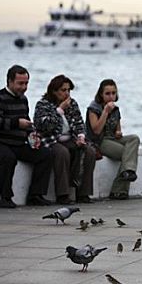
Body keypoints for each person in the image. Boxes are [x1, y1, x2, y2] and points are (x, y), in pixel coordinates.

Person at [0, 65, 53, 208]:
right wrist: (17, 123)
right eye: (20, 83)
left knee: (46, 154)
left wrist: (32, 135)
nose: (24, 87)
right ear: (10, 81)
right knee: (8, 158)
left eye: (26, 83)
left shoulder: (23, 100)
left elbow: (25, 124)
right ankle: (5, 198)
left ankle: (35, 195)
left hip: (16, 144)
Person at [34, 75, 96, 204]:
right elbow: (44, 126)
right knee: (62, 153)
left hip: (70, 138)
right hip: (51, 140)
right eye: (63, 90)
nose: (67, 93)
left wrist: (81, 137)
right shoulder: (43, 105)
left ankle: (83, 193)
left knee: (89, 151)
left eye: (68, 90)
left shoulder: (72, 104)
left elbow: (79, 123)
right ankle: (62, 194)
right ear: (54, 91)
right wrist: (60, 110)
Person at [86, 79, 140, 200]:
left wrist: (118, 132)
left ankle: (128, 172)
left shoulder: (116, 109)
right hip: (100, 141)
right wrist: (105, 112)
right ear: (101, 94)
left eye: (113, 93)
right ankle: (119, 189)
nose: (111, 96)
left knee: (134, 139)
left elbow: (117, 130)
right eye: (108, 93)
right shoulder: (93, 109)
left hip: (112, 139)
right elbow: (96, 130)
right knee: (128, 154)